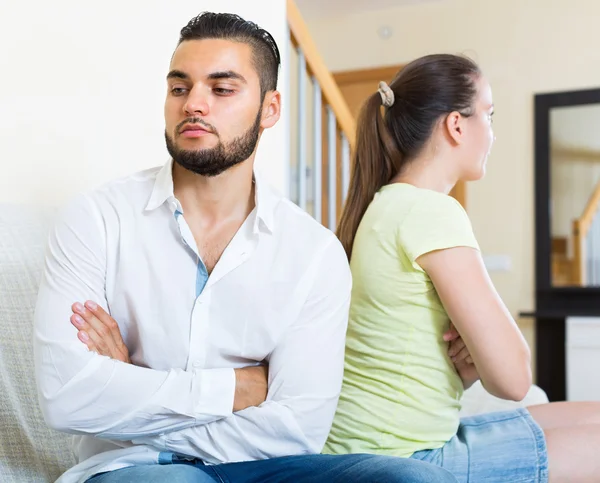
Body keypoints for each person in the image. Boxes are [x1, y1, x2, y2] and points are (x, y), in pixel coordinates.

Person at [33, 12, 458, 483]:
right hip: (134, 469)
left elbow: (299, 428)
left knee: (417, 480)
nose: (194, 104)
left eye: (222, 89)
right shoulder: (96, 219)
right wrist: (235, 389)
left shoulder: (313, 253)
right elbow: (66, 397)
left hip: (268, 470)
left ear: (270, 109)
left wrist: (134, 390)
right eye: (180, 88)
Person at [324, 53, 600, 482]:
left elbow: (427, 361)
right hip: (404, 456)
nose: (491, 133)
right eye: (488, 116)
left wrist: (474, 359)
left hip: (373, 441)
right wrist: (484, 353)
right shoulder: (431, 212)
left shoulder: (386, 204)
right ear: (456, 124)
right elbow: (513, 379)